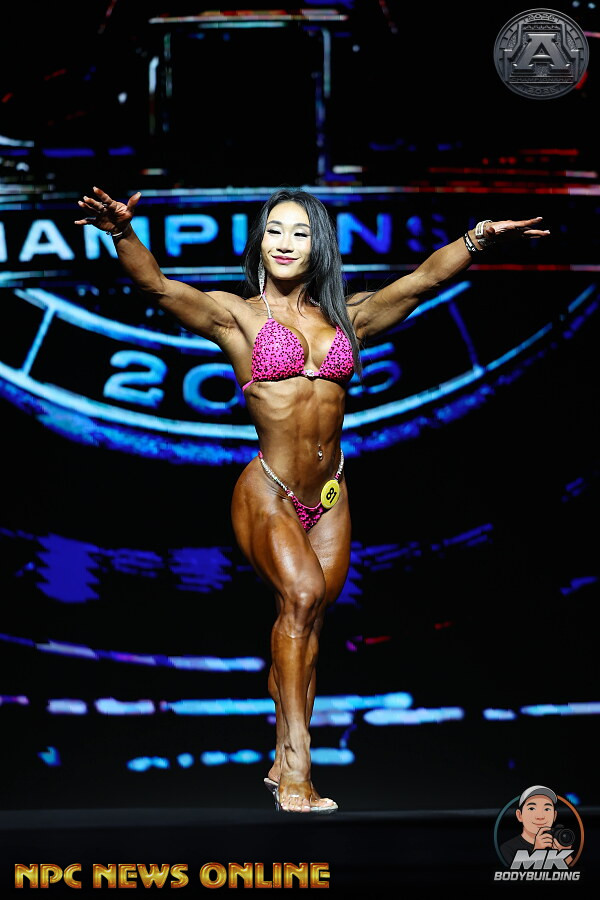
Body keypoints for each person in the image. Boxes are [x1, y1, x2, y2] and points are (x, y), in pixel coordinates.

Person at [75, 186, 550, 813]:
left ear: (317, 245)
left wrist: (478, 238)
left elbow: (421, 283)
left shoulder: (347, 318)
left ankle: (281, 760)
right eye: (275, 230)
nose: (285, 243)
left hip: (330, 495)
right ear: (259, 241)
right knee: (299, 598)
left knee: (308, 621)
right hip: (268, 489)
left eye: (299, 233)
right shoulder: (237, 316)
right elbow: (158, 287)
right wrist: (121, 232)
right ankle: (298, 767)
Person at [500, 785, 574, 866]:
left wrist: (565, 854)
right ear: (519, 815)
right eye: (532, 808)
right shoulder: (507, 848)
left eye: (547, 809)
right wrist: (537, 851)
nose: (540, 816)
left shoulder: (561, 842)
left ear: (554, 816)